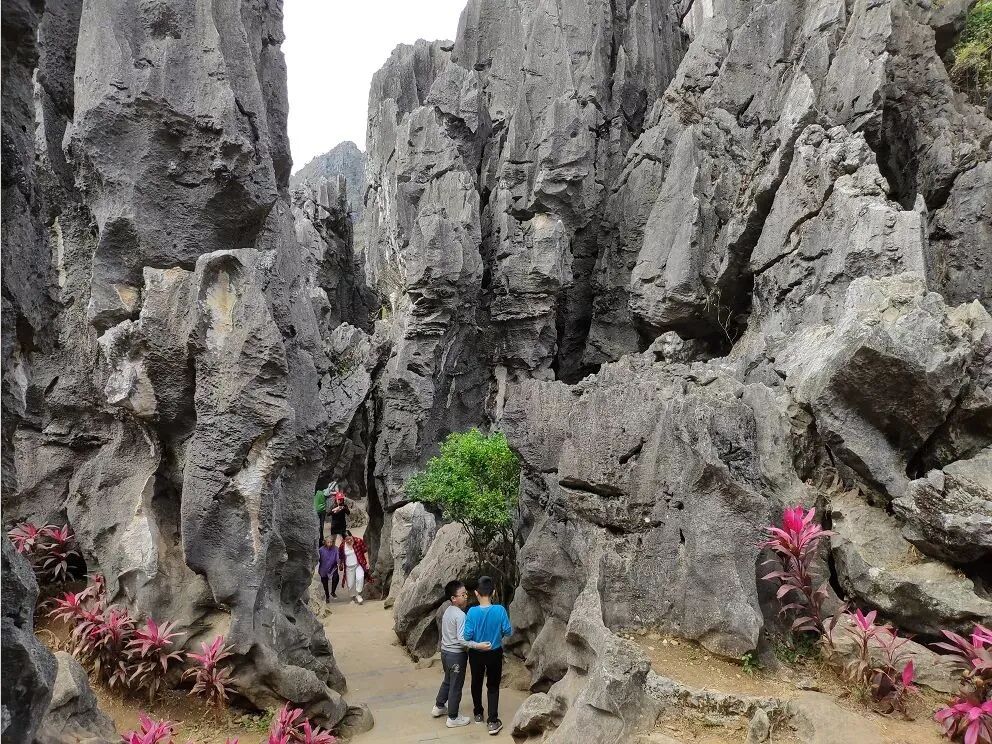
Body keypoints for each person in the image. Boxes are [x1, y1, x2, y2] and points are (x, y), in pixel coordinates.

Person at [431, 581, 491, 728]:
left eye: (466, 594)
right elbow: (462, 640)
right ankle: (453, 717)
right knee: (456, 686)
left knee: (448, 680)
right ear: (453, 598)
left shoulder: (448, 611)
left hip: (445, 653)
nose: (466, 597)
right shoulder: (460, 616)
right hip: (456, 655)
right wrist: (479, 645)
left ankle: (439, 706)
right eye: (462, 595)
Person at [463, 576, 513, 736]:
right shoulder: (500, 610)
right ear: (494, 592)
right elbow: (508, 631)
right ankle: (492, 721)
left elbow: (467, 635)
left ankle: (478, 713)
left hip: (476, 654)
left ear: (476, 593)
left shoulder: (472, 612)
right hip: (494, 652)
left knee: (476, 682)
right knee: (493, 685)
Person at [338, 530, 370, 604]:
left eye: (350, 538)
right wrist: (341, 564)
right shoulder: (342, 546)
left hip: (358, 564)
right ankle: (353, 597)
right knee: (350, 584)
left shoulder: (358, 541)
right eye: (347, 539)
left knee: (360, 577)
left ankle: (358, 594)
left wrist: (367, 562)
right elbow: (341, 557)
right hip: (349, 567)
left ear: (351, 536)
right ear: (344, 540)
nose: (349, 540)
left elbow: (365, 551)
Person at [317, 535, 340, 602]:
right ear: (325, 542)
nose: (330, 544)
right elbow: (317, 559)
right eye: (328, 542)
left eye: (331, 542)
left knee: (336, 577)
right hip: (324, 568)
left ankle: (333, 592)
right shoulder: (321, 550)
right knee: (325, 583)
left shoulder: (336, 549)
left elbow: (338, 558)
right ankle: (327, 595)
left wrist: (339, 562)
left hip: (333, 567)